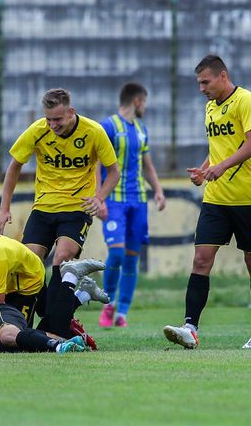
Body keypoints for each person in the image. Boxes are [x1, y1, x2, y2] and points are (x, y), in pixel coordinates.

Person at [162, 54, 251, 350]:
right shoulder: (210, 107)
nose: (201, 88)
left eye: (205, 82)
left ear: (222, 76)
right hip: (216, 200)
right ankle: (190, 327)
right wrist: (205, 168)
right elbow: (220, 148)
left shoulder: (245, 100)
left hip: (248, 199)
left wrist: (221, 167)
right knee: (200, 260)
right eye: (199, 83)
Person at [0, 88, 120, 319]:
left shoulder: (94, 132)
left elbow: (113, 172)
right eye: (48, 119)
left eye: (58, 119)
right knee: (29, 262)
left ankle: (51, 317)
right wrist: (4, 209)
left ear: (71, 112)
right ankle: (74, 299)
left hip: (77, 208)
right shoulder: (38, 130)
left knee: (62, 259)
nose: (52, 125)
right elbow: (14, 166)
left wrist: (99, 197)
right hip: (43, 207)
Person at [96, 82, 167, 328]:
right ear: (137, 101)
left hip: (138, 200)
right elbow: (96, 163)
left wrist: (157, 191)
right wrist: (98, 197)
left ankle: (122, 312)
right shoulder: (108, 126)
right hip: (113, 200)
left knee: (131, 258)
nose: (145, 107)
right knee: (116, 253)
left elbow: (147, 164)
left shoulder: (141, 129)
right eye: (144, 102)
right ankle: (108, 304)